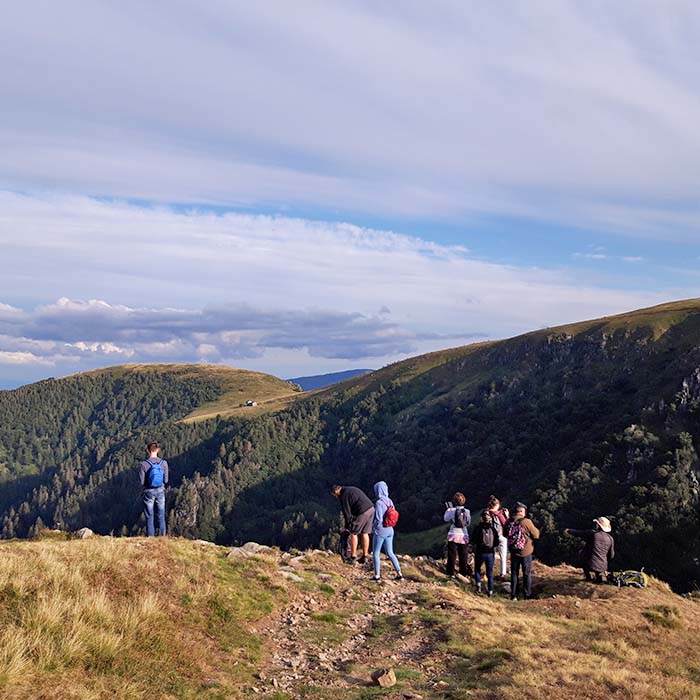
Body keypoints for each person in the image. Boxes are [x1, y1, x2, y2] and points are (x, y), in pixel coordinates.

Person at [331, 485, 375, 564]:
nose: (335, 497)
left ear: (336, 491)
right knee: (365, 533)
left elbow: (347, 513)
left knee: (353, 533)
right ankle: (365, 556)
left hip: (362, 511)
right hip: (371, 508)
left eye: (334, 495)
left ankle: (353, 557)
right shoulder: (350, 489)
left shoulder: (343, 496)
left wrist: (347, 527)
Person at [370, 481, 403, 582]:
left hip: (381, 530)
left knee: (375, 553)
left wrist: (373, 528)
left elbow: (378, 519)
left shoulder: (379, 503)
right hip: (390, 530)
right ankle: (399, 573)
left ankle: (377, 576)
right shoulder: (390, 501)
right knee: (390, 552)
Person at [565, 517, 615, 583]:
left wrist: (569, 530)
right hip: (603, 566)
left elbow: (579, 533)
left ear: (598, 525)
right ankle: (598, 578)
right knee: (597, 562)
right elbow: (611, 555)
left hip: (589, 564)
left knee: (582, 553)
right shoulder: (610, 538)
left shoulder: (593, 534)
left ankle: (588, 577)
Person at [507, 502, 540, 600]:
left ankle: (514, 595)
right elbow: (536, 535)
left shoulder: (509, 521)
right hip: (526, 551)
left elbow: (505, 533)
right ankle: (527, 594)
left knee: (514, 573)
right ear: (521, 511)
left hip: (513, 551)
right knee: (526, 574)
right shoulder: (527, 522)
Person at [139, 441, 169, 536]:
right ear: (158, 450)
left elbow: (141, 482)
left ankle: (150, 537)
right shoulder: (163, 463)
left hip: (148, 491)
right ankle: (162, 536)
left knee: (149, 516)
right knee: (161, 515)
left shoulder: (143, 464)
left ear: (148, 451)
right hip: (160, 491)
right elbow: (166, 480)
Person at [473, 510, 500, 596]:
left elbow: (473, 540)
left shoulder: (477, 528)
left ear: (481, 518)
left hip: (480, 552)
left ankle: (478, 585)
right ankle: (490, 591)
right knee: (490, 572)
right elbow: (496, 542)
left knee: (477, 569)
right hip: (490, 553)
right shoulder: (493, 529)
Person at [444, 492, 471, 577]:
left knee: (452, 554)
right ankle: (463, 572)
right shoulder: (467, 511)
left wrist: (449, 511)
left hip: (453, 533)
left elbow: (445, 519)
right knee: (463, 554)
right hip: (464, 534)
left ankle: (450, 572)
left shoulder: (451, 510)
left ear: (454, 502)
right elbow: (468, 523)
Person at [487, 495, 509, 580]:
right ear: (497, 505)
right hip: (500, 536)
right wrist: (507, 515)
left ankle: (490, 572)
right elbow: (506, 524)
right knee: (503, 556)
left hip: (490, 537)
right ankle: (502, 573)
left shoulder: (486, 513)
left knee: (490, 555)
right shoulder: (499, 515)